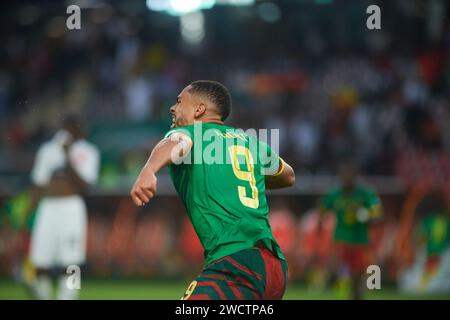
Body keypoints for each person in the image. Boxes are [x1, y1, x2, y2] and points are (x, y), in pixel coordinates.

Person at [130, 80, 295, 300]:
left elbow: (176, 143)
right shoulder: (249, 142)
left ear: (199, 110)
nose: (173, 107)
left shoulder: (192, 133)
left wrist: (148, 170)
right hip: (274, 268)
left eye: (179, 101)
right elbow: (289, 175)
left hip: (236, 264)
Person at [27, 115, 100, 300]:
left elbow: (85, 185)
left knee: (72, 263)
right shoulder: (48, 150)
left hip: (71, 208)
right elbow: (39, 184)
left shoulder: (89, 152)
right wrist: (27, 212)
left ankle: (68, 297)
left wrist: (68, 157)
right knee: (39, 262)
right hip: (47, 208)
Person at [318, 160, 382, 300]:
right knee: (335, 269)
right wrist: (320, 226)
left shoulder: (366, 194)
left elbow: (377, 217)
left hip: (360, 240)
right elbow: (322, 209)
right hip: (341, 238)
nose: (346, 178)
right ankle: (340, 285)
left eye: (349, 175)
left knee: (357, 278)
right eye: (343, 175)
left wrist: (365, 215)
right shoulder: (334, 194)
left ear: (356, 176)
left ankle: (355, 293)